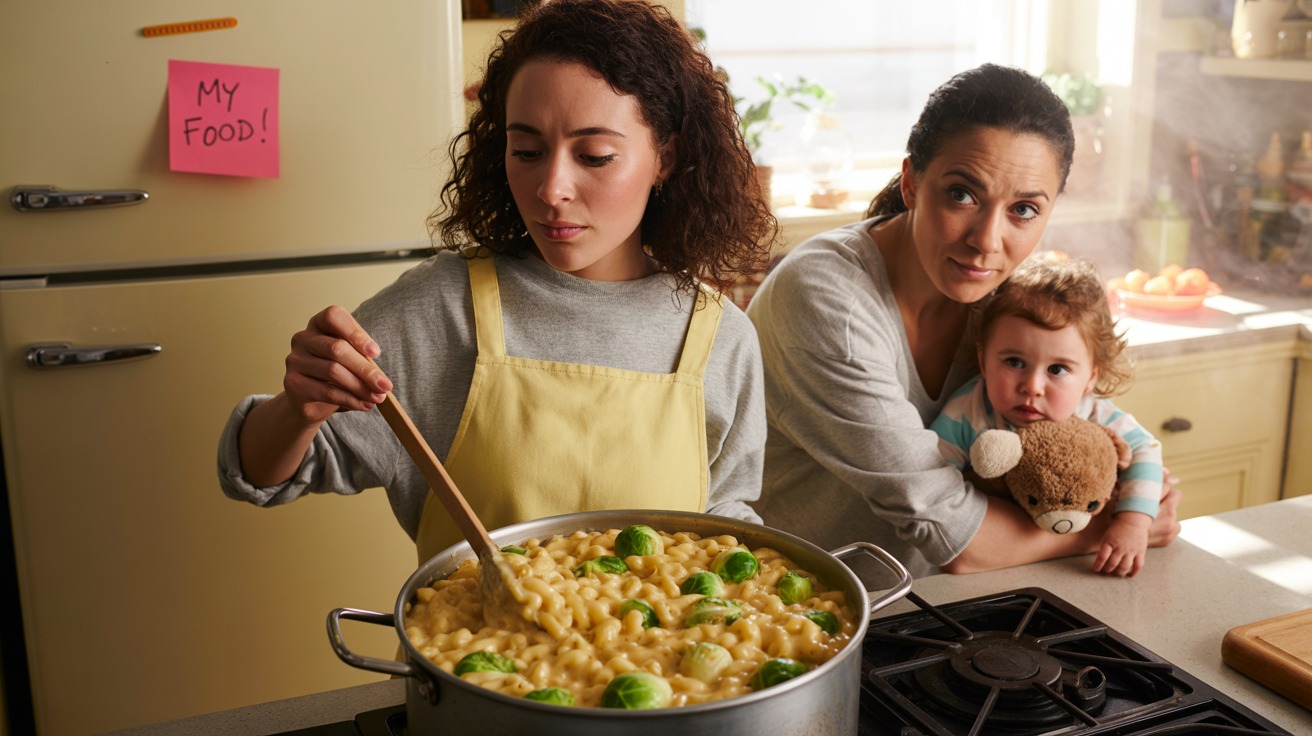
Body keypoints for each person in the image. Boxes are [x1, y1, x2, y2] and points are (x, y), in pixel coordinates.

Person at [217, 0, 777, 563]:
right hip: (463, 647)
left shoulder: (720, 338)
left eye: (596, 155)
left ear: (666, 158)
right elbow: (259, 474)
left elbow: (726, 533)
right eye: (527, 151)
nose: (552, 187)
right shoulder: (441, 309)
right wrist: (297, 407)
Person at [746, 63, 1181, 579]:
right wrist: (1101, 528)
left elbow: (1069, 436)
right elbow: (955, 536)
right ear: (911, 182)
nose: (987, 240)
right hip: (797, 614)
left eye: (1023, 209)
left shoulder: (1004, 300)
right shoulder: (825, 301)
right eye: (962, 194)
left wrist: (1123, 491)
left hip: (939, 603)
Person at [931, 257, 1164, 577]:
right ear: (983, 360)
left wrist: (1132, 522)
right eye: (1014, 362)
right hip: (995, 562)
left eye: (1057, 369)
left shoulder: (1093, 412)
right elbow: (935, 486)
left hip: (1071, 568)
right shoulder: (966, 414)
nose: (1032, 387)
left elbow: (1146, 450)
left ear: (1090, 378)